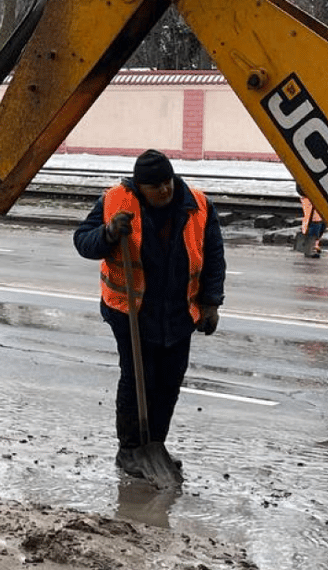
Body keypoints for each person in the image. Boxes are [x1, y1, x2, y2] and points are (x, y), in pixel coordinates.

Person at [73, 149, 225, 478]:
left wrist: (211, 303)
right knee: (137, 378)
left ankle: (155, 444)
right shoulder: (116, 201)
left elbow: (213, 255)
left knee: (169, 382)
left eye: (168, 183)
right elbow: (82, 241)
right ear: (140, 187)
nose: (165, 191)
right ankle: (129, 450)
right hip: (131, 310)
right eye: (156, 187)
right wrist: (109, 234)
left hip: (178, 311)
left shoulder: (197, 205)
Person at [295, 183, 325, 258]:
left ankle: (313, 246)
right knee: (314, 221)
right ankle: (310, 247)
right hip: (310, 195)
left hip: (316, 194)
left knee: (319, 221)